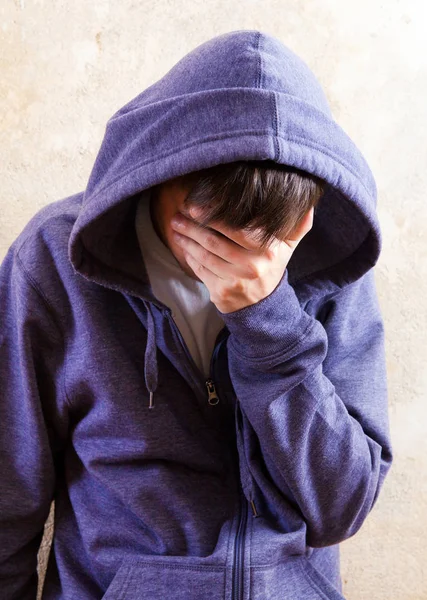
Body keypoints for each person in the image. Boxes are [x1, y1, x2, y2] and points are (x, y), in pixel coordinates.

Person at [0, 30, 393, 599]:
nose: (238, 260)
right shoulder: (54, 263)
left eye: (263, 240)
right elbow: (9, 493)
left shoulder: (329, 263)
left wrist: (271, 322)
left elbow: (340, 508)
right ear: (160, 175)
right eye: (213, 234)